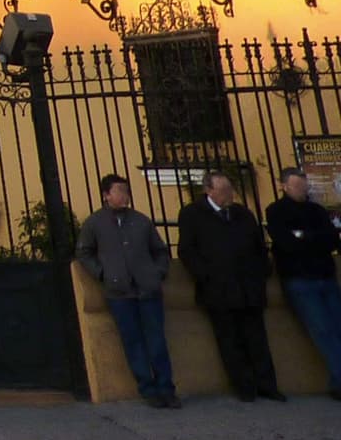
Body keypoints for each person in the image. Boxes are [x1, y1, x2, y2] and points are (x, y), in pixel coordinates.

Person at [179, 170, 285, 402]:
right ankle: (245, 387)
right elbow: (187, 251)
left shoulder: (242, 214)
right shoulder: (192, 214)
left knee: (257, 338)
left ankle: (268, 385)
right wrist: (206, 276)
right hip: (218, 289)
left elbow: (258, 246)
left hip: (249, 287)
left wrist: (262, 272)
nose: (229, 194)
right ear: (208, 190)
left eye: (230, 189)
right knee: (230, 341)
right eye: (223, 190)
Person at [76, 173, 179, 407]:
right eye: (119, 191)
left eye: (126, 191)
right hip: (119, 292)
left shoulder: (141, 221)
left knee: (156, 341)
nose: (124, 195)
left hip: (148, 289)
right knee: (133, 341)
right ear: (106, 195)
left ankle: (166, 388)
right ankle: (148, 389)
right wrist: (102, 274)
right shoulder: (95, 223)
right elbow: (83, 252)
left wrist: (157, 272)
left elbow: (160, 251)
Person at [266, 168, 341, 399]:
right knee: (323, 331)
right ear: (284, 186)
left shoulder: (316, 210)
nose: (302, 190)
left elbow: (331, 240)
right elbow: (286, 244)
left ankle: (337, 381)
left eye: (304, 186)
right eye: (297, 186)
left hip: (325, 277)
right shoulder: (276, 211)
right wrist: (312, 239)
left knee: (337, 328)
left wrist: (304, 236)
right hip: (299, 280)